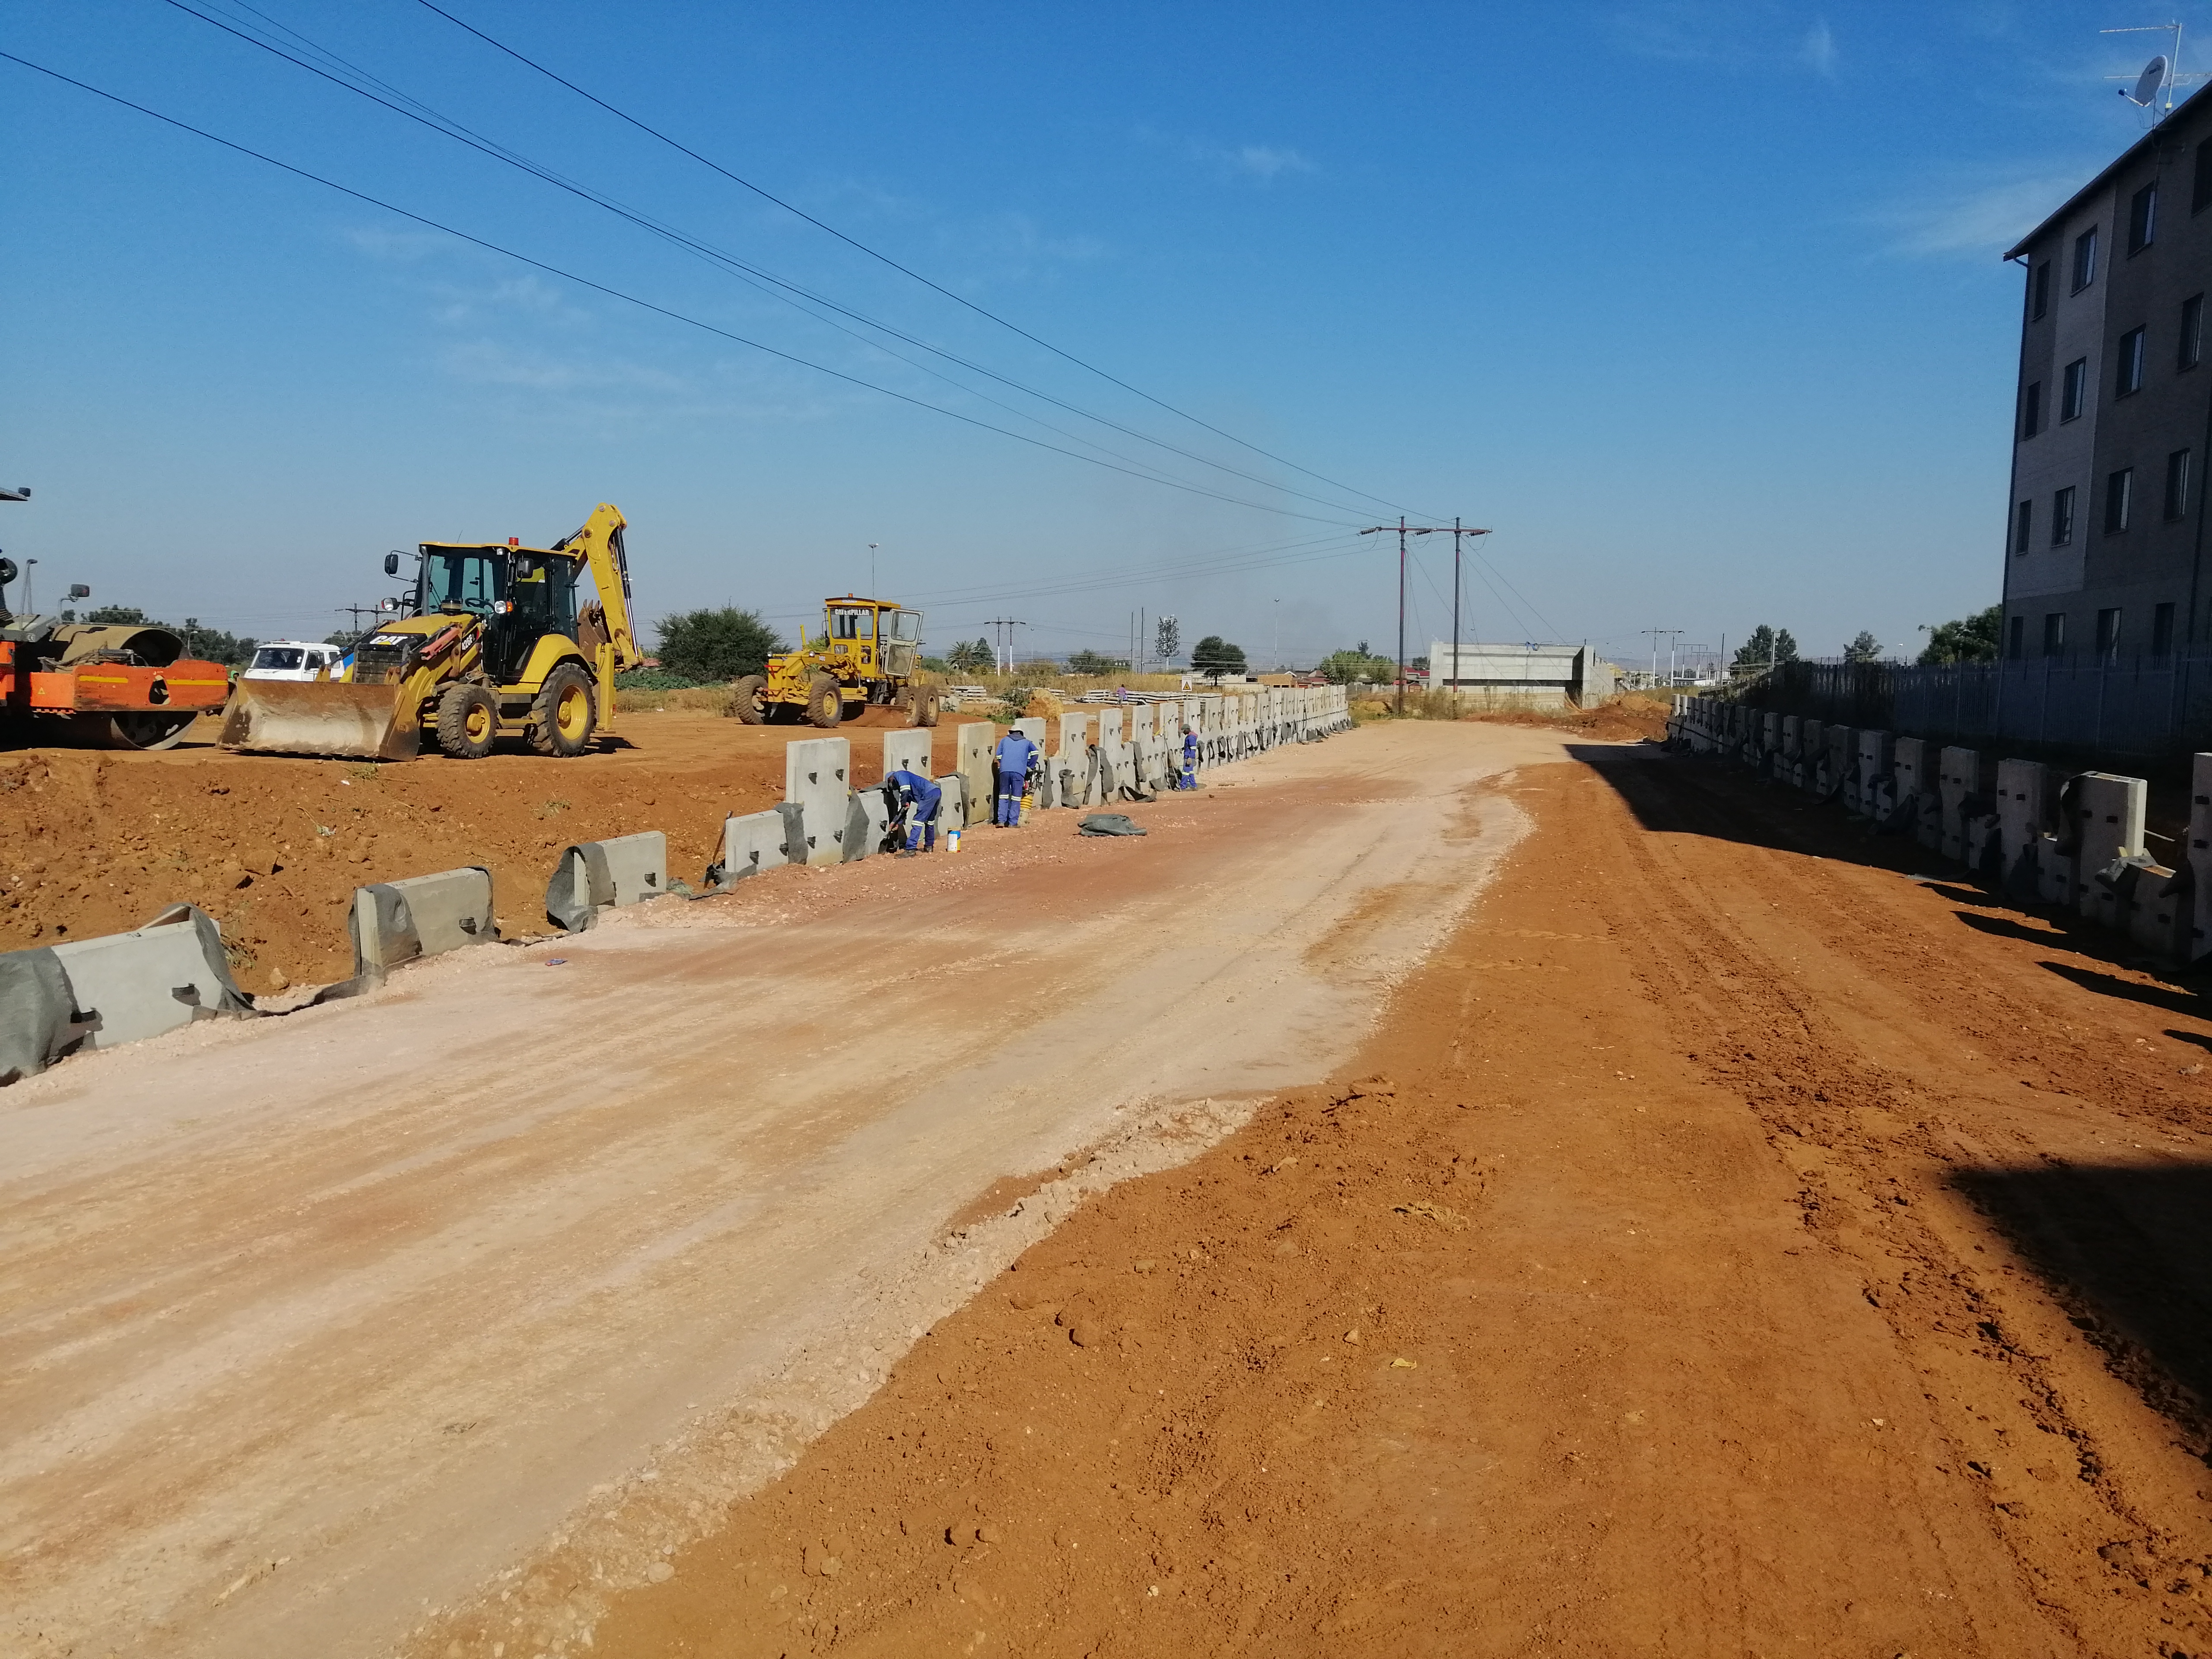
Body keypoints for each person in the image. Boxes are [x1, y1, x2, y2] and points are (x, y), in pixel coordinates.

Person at [884, 767, 942, 853]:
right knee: (930, 821)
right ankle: (929, 846)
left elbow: (905, 791)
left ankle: (910, 849)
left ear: (890, 779)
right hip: (936, 792)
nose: (894, 788)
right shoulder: (909, 786)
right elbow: (904, 809)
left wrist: (904, 803)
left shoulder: (899, 774)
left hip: (928, 794)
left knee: (917, 822)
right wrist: (896, 822)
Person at [994, 727, 1038, 827]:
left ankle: (1001, 821)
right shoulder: (1027, 743)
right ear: (1021, 733)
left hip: (1004, 771)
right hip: (1019, 772)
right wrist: (1030, 766)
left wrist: (1004, 763)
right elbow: (1036, 753)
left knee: (1003, 795)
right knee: (1016, 797)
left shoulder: (1004, 740)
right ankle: (1013, 823)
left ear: (1011, 732)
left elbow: (999, 755)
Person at [1179, 723, 1198, 791]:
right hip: (1190, 756)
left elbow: (1193, 748)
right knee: (1190, 772)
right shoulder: (1191, 736)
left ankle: (1183, 787)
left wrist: (1190, 758)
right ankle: (1194, 786)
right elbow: (1189, 746)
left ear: (1187, 730)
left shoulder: (1191, 737)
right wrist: (1183, 749)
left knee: (1185, 772)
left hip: (1189, 757)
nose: (1184, 733)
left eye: (1184, 731)